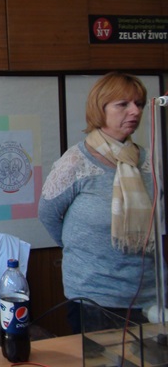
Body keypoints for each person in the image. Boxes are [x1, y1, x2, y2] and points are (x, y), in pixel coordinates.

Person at [39, 72, 157, 333]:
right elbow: (48, 215)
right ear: (99, 109)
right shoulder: (75, 162)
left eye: (138, 104)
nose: (135, 111)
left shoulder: (149, 162)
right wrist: (83, 251)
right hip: (94, 297)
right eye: (123, 104)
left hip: (150, 295)